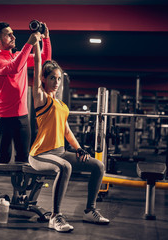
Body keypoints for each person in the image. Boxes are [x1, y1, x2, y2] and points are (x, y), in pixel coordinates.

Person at [28, 42, 110, 232]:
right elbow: (37, 69)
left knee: (98, 165)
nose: (56, 82)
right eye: (52, 78)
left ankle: (89, 210)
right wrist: (37, 46)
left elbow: (66, 131)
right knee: (65, 167)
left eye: (58, 78)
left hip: (60, 152)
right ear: (43, 79)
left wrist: (79, 148)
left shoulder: (62, 105)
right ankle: (55, 216)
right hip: (39, 154)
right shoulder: (41, 98)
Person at [0, 22, 51, 163]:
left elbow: (44, 58)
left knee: (23, 157)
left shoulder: (17, 56)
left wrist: (46, 38)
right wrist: (29, 44)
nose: (13, 36)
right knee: (3, 158)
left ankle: (19, 185)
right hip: (4, 117)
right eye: (8, 35)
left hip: (22, 115)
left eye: (12, 33)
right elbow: (14, 68)